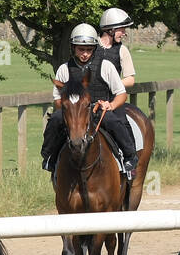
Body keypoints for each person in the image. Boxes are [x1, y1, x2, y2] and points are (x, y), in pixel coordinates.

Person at [41, 23, 138, 181]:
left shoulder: (106, 66)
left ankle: (129, 156)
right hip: (73, 112)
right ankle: (49, 157)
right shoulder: (64, 70)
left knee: (114, 122)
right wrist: (69, 108)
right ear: (73, 48)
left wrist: (110, 105)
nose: (85, 54)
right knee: (55, 120)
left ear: (94, 49)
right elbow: (57, 100)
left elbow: (121, 94)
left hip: (99, 111)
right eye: (81, 49)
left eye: (89, 50)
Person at [97, 7, 136, 89]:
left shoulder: (122, 50)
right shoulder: (91, 47)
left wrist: (111, 84)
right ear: (111, 30)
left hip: (113, 100)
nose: (124, 33)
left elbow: (130, 80)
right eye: (122, 30)